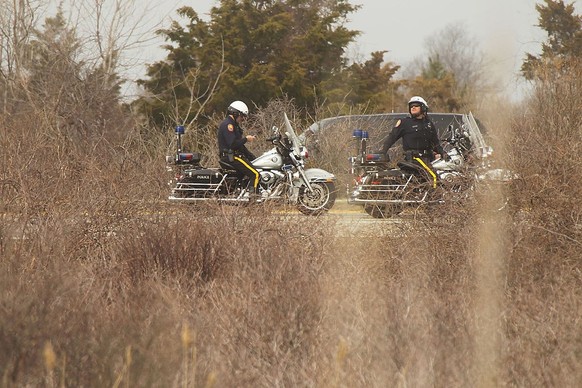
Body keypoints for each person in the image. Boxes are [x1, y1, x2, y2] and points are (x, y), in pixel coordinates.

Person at [380, 96, 446, 188]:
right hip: (414, 159)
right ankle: (435, 199)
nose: (413, 108)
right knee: (434, 177)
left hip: (427, 160)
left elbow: (435, 143)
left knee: (442, 173)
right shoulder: (405, 123)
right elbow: (392, 137)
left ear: (423, 108)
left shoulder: (429, 124)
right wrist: (383, 151)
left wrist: (443, 153)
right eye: (411, 106)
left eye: (416, 106)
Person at [217, 100, 261, 195]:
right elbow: (233, 144)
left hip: (234, 156)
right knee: (255, 174)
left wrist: (253, 157)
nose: (242, 119)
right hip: (232, 157)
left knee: (248, 173)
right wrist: (246, 139)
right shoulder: (228, 125)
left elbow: (240, 146)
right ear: (235, 113)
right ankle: (254, 200)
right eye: (242, 116)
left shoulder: (234, 125)